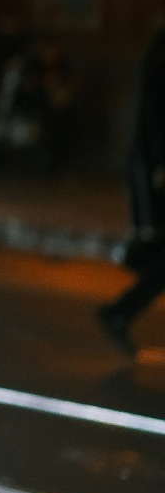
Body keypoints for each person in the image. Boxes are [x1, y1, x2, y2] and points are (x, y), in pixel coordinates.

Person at [98, 19, 165, 355]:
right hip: (157, 165)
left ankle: (120, 310)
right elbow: (156, 113)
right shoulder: (161, 54)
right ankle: (120, 310)